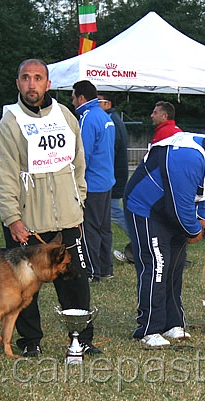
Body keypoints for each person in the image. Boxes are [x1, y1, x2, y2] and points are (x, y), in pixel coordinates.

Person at [0, 58, 100, 357]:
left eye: (38, 78)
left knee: (73, 280)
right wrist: (13, 218)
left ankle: (81, 338)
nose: (32, 84)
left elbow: (78, 162)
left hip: (67, 217)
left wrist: (78, 201)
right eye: (25, 78)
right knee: (24, 288)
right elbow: (4, 173)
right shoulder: (10, 121)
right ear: (18, 83)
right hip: (27, 221)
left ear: (48, 83)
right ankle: (30, 341)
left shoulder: (65, 115)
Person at [124, 132, 205, 347]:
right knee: (158, 266)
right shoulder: (188, 159)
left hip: (169, 210)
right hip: (146, 208)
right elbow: (180, 206)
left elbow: (201, 193)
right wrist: (194, 231)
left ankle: (172, 323)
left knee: (175, 266)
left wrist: (200, 218)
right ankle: (149, 328)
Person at [72, 81, 116, 282]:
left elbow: (83, 155)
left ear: (81, 98)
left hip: (93, 183)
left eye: (73, 97)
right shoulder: (105, 117)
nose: (72, 102)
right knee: (104, 227)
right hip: (106, 180)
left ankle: (92, 271)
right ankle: (106, 268)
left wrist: (75, 181)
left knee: (90, 228)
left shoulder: (87, 119)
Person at [97, 92, 132, 263]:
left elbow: (109, 152)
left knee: (114, 213)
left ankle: (140, 242)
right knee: (111, 214)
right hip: (114, 176)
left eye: (98, 101)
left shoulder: (110, 122)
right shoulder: (113, 120)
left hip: (112, 177)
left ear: (107, 103)